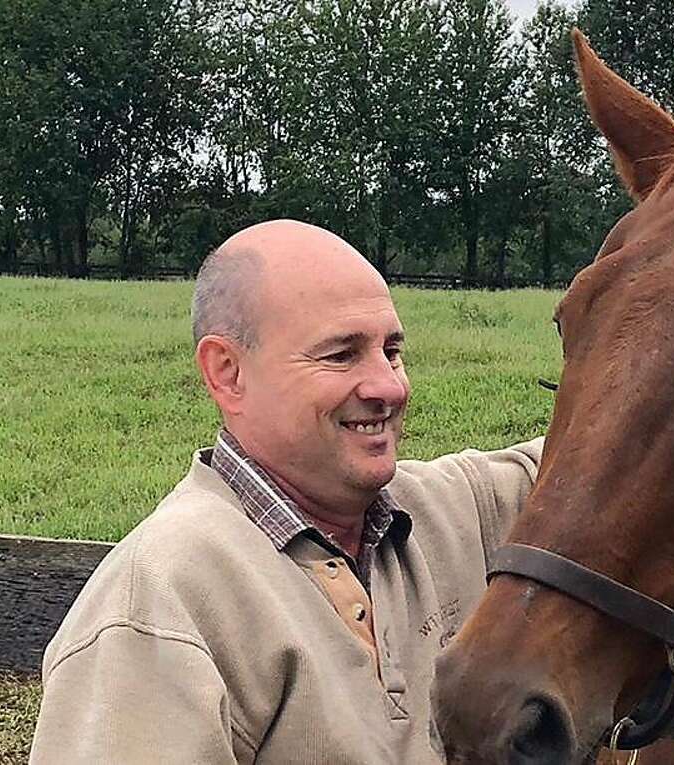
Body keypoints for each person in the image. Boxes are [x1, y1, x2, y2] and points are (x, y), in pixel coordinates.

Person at [30, 220, 543, 763]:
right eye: (341, 355)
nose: (389, 386)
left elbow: (614, 458)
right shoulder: (160, 602)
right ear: (227, 373)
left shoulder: (450, 510)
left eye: (391, 351)